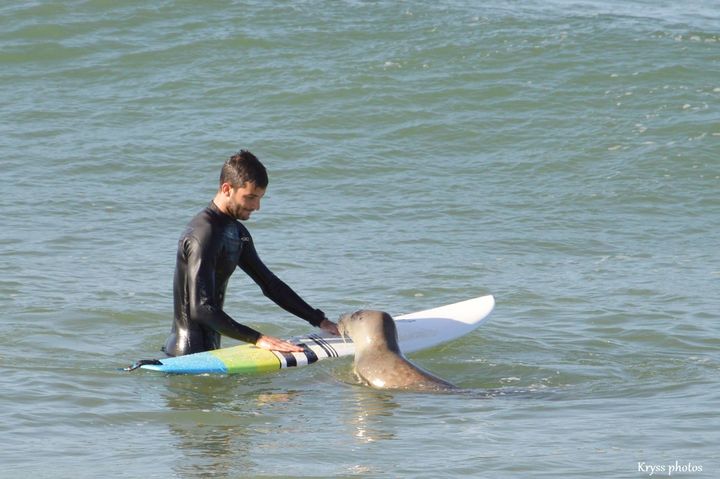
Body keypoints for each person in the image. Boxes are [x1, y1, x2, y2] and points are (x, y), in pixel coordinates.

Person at [163, 150, 338, 357]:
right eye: (250, 197)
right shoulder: (204, 233)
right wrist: (258, 339)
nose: (257, 206)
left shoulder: (236, 232)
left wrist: (319, 320)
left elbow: (270, 284)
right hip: (186, 354)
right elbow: (200, 308)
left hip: (208, 352)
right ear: (226, 189)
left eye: (260, 198)